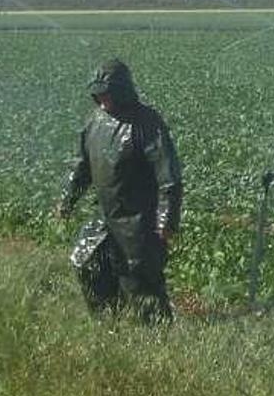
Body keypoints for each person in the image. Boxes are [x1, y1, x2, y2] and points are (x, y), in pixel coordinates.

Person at [58, 58, 183, 323]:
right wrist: (67, 199)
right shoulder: (95, 122)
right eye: (99, 94)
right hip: (106, 215)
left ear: (122, 91)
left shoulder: (146, 123)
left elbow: (168, 176)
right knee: (85, 262)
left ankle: (156, 338)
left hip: (138, 221)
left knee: (139, 281)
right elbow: (82, 167)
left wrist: (166, 220)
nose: (103, 100)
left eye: (108, 93)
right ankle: (109, 321)